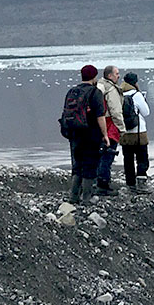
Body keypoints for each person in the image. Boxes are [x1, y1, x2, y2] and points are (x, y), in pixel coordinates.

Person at [59, 64, 109, 204]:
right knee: (90, 164)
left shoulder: (72, 91)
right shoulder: (95, 92)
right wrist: (105, 135)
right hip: (90, 133)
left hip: (74, 133)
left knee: (77, 165)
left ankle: (73, 196)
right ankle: (87, 197)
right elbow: (100, 116)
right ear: (94, 77)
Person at [97, 65, 128, 196]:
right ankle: (104, 185)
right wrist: (122, 129)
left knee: (99, 155)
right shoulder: (111, 89)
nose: (118, 76)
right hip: (110, 126)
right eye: (116, 73)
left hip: (98, 125)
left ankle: (94, 183)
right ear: (109, 76)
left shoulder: (98, 86)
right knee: (107, 156)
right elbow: (116, 111)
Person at [118, 71, 151, 190]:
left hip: (124, 132)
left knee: (128, 159)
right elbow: (146, 112)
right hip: (138, 133)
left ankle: (130, 184)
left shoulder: (118, 94)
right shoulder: (136, 94)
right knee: (142, 158)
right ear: (135, 82)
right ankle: (141, 183)